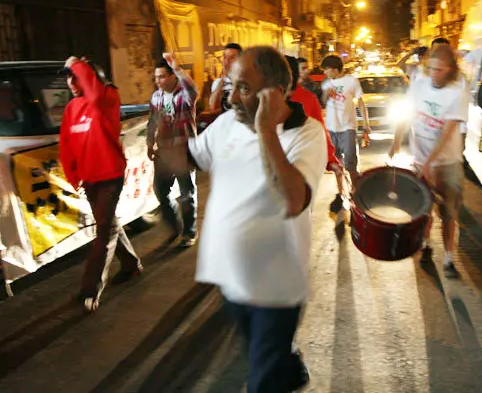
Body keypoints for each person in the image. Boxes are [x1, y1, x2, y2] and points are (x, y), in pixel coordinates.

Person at [163, 46, 327, 393]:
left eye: (244, 88)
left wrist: (266, 130)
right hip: (231, 280)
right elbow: (192, 156)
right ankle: (288, 365)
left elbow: (294, 200)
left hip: (276, 286)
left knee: (260, 382)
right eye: (232, 86)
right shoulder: (227, 124)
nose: (233, 97)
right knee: (268, 359)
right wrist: (161, 148)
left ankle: (280, 365)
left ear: (276, 92)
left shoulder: (306, 134)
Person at [59, 56, 143, 313]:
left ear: (90, 75)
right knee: (109, 223)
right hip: (90, 179)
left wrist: (78, 64)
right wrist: (74, 176)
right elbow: (66, 144)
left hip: (110, 176)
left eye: (76, 75)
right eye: (68, 76)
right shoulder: (72, 108)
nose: (72, 82)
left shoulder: (107, 97)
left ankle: (90, 289)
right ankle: (130, 264)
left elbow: (94, 96)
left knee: (104, 231)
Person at [389, 45, 468, 279]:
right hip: (421, 160)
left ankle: (449, 258)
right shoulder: (419, 84)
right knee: (424, 209)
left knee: (449, 213)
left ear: (451, 70)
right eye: (431, 68)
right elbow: (406, 112)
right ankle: (426, 246)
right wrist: (396, 141)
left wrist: (431, 163)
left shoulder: (457, 93)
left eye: (440, 70)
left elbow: (447, 132)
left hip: (448, 163)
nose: (434, 73)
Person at [147, 55, 199, 247]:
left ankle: (189, 233)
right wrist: (149, 143)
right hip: (164, 153)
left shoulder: (184, 96)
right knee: (160, 190)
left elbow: (193, 88)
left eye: (162, 76)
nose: (158, 81)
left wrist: (177, 67)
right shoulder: (156, 97)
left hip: (183, 150)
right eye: (156, 77)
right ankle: (175, 226)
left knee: (187, 194)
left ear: (172, 77)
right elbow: (152, 121)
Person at [287, 56, 345, 208]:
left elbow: (320, 129)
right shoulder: (262, 100)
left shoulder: (308, 97)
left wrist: (330, 159)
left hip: (301, 168)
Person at [321, 54, 371, 213]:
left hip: (347, 128)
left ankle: (355, 193)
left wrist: (366, 124)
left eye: (327, 69)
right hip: (331, 128)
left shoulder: (351, 81)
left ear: (335, 69)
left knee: (350, 164)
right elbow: (323, 102)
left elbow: (361, 103)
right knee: (336, 164)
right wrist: (326, 94)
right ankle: (340, 192)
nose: (325, 73)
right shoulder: (326, 83)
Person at [209, 43, 243, 112]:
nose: (226, 61)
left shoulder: (249, 81)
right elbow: (213, 107)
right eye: (225, 57)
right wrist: (222, 80)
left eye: (232, 58)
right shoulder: (218, 82)